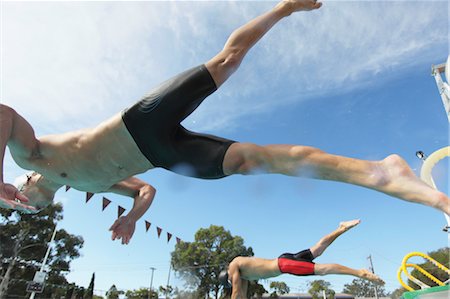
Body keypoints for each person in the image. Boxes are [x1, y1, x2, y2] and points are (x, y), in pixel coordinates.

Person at [0, 0, 448, 245]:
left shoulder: (31, 154)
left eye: (15, 204)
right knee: (255, 161)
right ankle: (379, 171)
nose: (24, 208)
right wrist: (134, 217)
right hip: (166, 156)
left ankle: (283, 8)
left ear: (22, 183)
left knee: (226, 62)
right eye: (21, 212)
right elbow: (145, 189)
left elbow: (3, 114)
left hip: (138, 123)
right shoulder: (89, 187)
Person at [218, 219, 384, 299]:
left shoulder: (234, 265)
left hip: (285, 265)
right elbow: (240, 295)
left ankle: (360, 273)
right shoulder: (243, 273)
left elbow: (235, 292)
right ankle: (340, 228)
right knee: (317, 250)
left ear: (229, 276)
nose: (234, 282)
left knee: (323, 270)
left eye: (231, 281)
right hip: (285, 260)